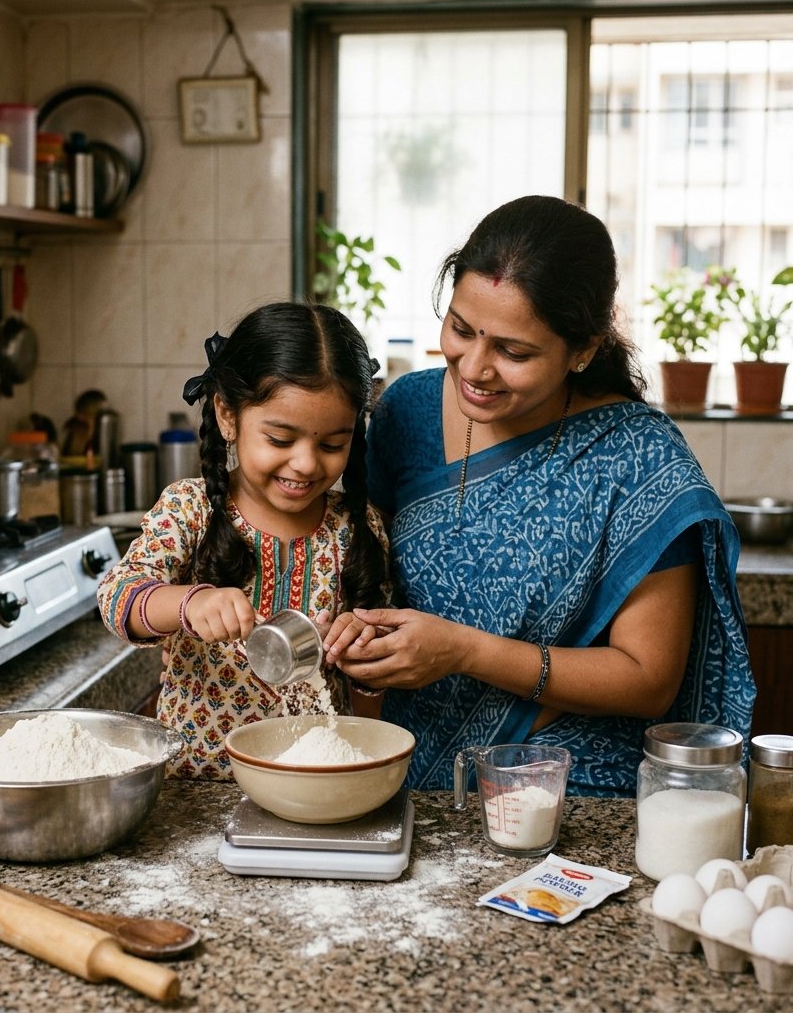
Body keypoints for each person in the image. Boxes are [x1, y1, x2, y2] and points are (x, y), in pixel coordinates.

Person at [322, 195, 755, 797]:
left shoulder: (637, 457)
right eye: (461, 329)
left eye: (513, 351)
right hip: (412, 779)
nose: (473, 367)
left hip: (570, 786)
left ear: (583, 350)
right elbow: (368, 575)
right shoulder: (404, 412)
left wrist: (465, 651)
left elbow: (648, 678)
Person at [98, 301, 389, 779]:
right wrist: (186, 604)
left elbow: (370, 700)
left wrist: (366, 660)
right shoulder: (191, 510)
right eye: (279, 439)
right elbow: (117, 597)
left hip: (312, 788)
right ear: (228, 415)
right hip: (196, 795)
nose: (306, 464)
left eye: (332, 444)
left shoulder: (357, 528)